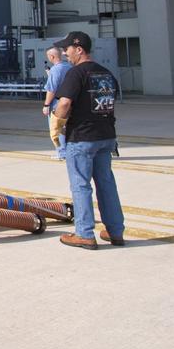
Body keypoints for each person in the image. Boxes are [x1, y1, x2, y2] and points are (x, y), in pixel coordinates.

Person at [49, 31, 126, 250]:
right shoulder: (106, 73)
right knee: (106, 184)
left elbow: (64, 104)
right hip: (106, 136)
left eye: (68, 49)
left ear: (79, 49)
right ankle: (115, 231)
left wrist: (57, 123)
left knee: (81, 185)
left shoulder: (76, 73)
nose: (65, 53)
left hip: (82, 137)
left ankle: (84, 233)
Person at [42, 46, 72, 160]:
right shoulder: (69, 67)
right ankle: (69, 151)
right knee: (67, 127)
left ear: (51, 56)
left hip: (57, 103)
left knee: (57, 128)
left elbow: (51, 89)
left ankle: (61, 153)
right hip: (70, 101)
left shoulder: (55, 69)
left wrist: (46, 105)